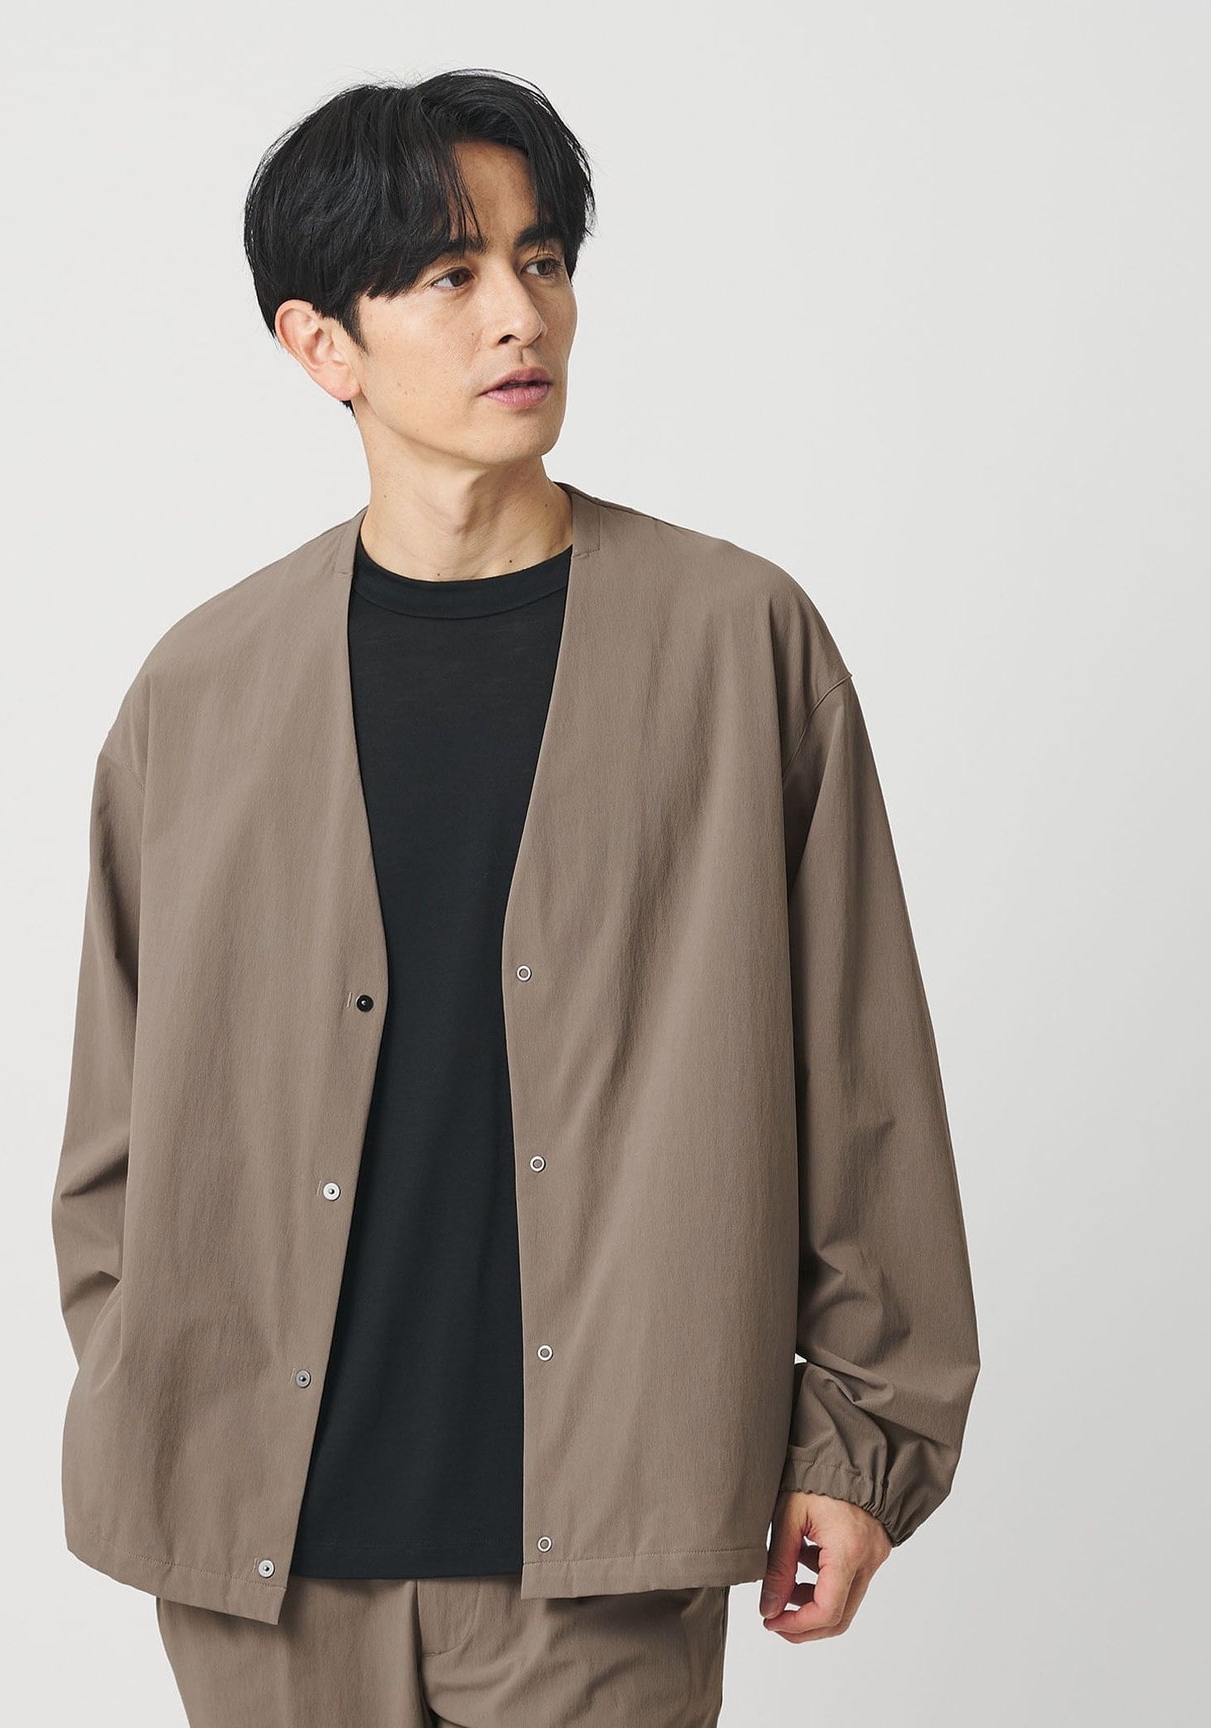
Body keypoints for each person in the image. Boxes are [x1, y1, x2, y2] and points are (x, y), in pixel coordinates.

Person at [50, 67, 980, 1727]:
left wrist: (855, 1445)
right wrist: (158, 1386)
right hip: (265, 1564)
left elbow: (865, 1088)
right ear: (321, 345)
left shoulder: (737, 646)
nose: (518, 314)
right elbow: (116, 1137)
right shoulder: (199, 692)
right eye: (448, 274)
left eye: (541, 260)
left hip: (601, 1551)